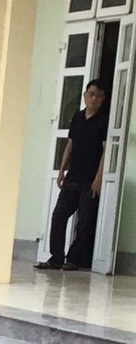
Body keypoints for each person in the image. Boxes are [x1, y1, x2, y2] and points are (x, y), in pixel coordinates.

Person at [36, 79, 108, 272]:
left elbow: (105, 151)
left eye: (98, 95)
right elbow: (70, 145)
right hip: (73, 176)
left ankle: (74, 259)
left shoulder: (104, 121)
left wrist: (98, 179)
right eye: (90, 94)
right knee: (59, 215)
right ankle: (56, 257)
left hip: (90, 178)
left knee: (85, 220)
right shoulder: (77, 118)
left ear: (102, 99)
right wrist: (61, 170)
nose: (93, 98)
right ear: (85, 96)